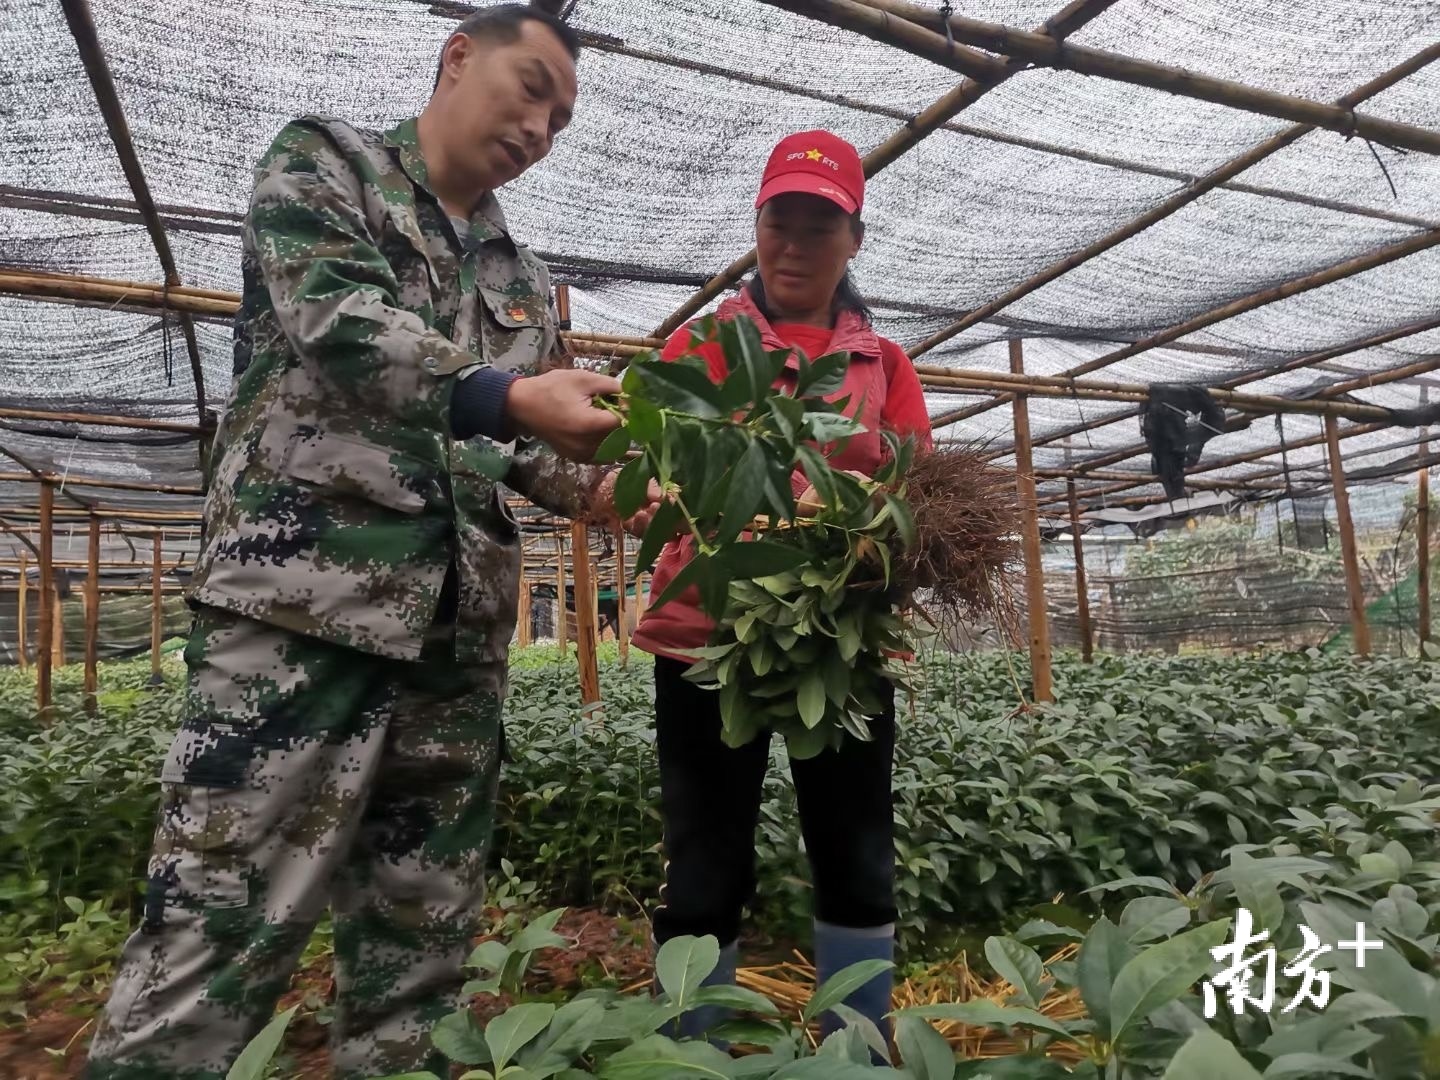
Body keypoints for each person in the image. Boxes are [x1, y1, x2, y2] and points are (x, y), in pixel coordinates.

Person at [85, 7, 656, 1078]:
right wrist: (516, 394)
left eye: (563, 120)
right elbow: (341, 327)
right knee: (216, 930)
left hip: (452, 650)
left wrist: (652, 491)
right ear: (457, 57)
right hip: (299, 620)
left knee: (422, 955)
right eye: (531, 88)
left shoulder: (521, 280)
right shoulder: (325, 165)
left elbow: (532, 450)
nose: (541, 128)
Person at [630, 130, 933, 1047]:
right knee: (704, 864)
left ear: (854, 240)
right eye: (779, 223)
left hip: (840, 647)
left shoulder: (884, 366)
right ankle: (694, 1051)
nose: (795, 244)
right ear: (756, 229)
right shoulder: (704, 344)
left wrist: (857, 541)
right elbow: (649, 470)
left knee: (856, 853)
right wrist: (731, 510)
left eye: (818, 226)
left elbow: (918, 498)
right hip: (703, 643)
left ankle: (857, 1048)